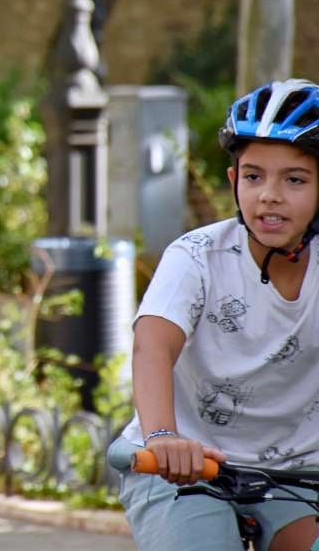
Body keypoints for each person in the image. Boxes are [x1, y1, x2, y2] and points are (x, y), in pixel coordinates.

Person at [111, 78, 319, 551]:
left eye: (295, 179)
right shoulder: (197, 256)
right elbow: (152, 348)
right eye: (253, 176)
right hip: (185, 467)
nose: (269, 195)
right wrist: (162, 436)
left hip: (300, 475)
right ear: (233, 181)